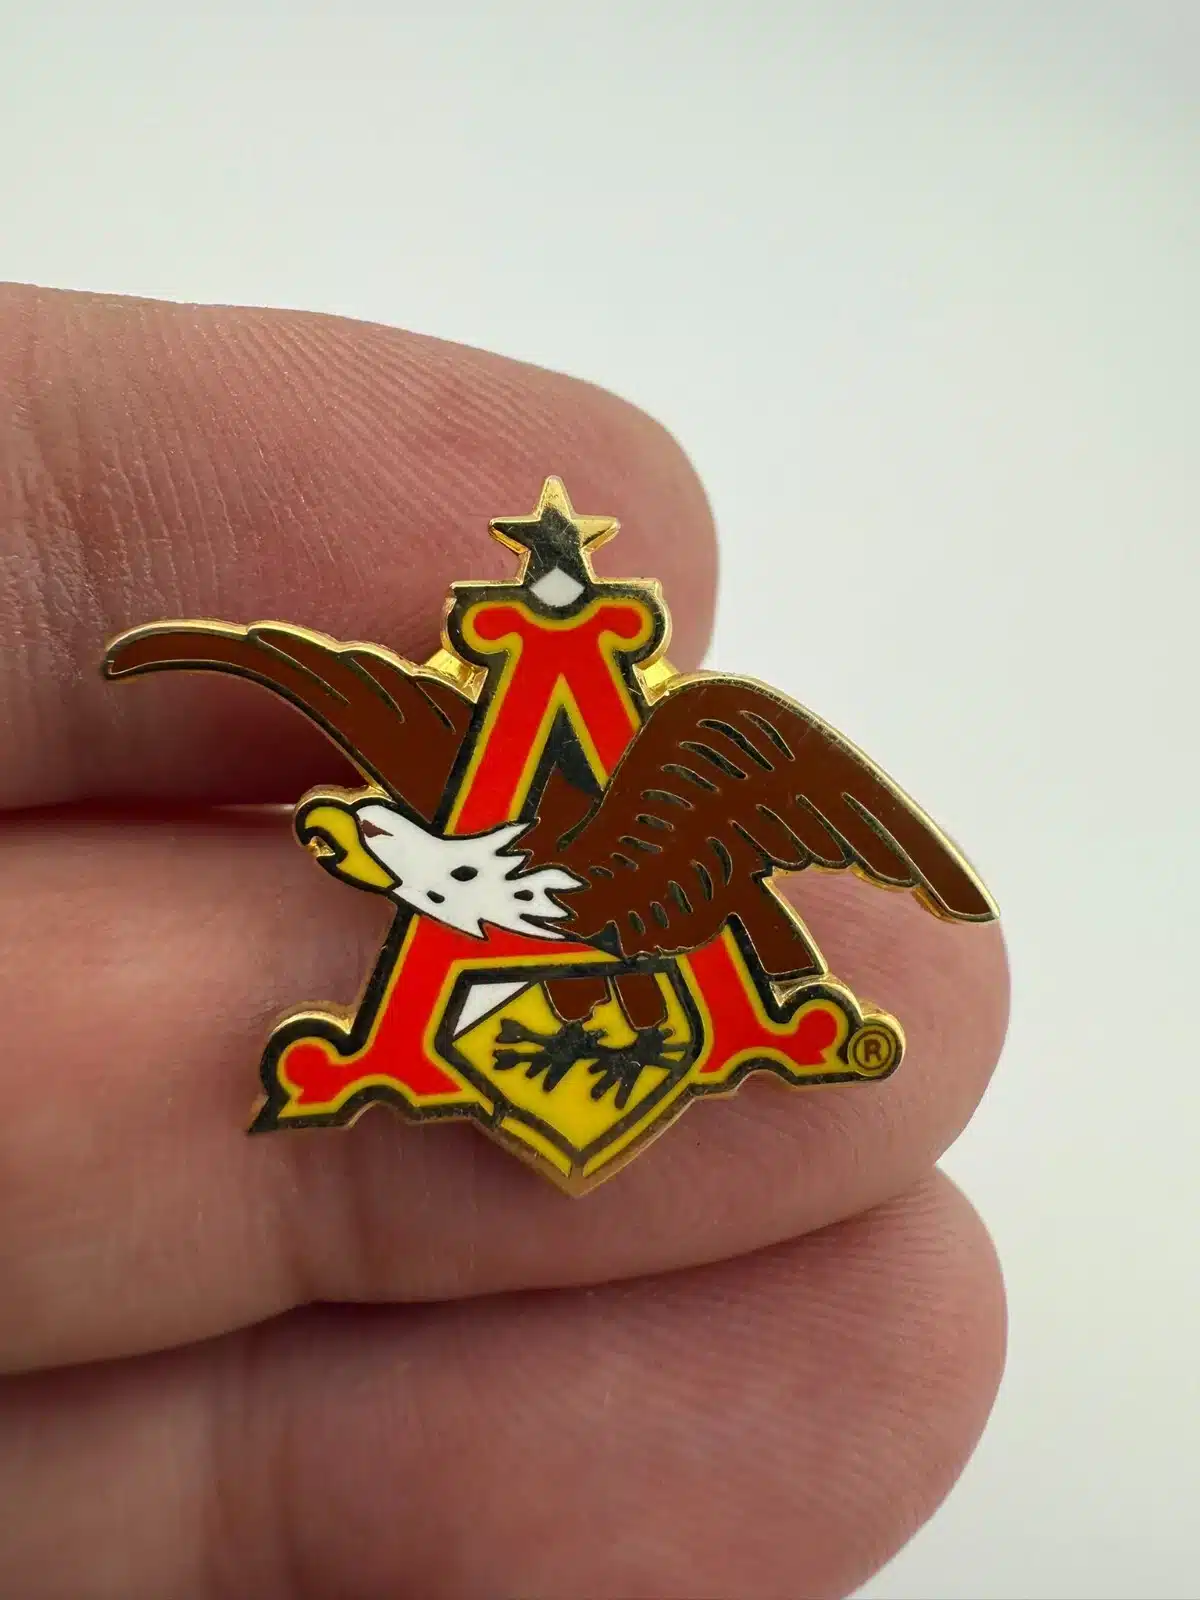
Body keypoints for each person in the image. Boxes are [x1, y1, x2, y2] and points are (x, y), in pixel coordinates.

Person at [0, 282, 1010, 1599]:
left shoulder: (644, 780)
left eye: (360, 844)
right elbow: (359, 749)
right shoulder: (432, 814)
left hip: (609, 916)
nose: (350, 848)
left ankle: (717, 1010)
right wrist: (239, 668)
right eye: (352, 845)